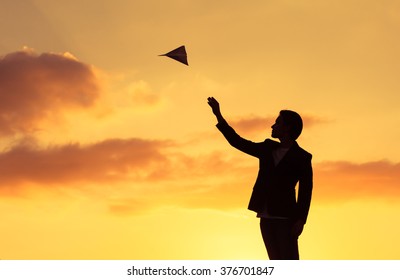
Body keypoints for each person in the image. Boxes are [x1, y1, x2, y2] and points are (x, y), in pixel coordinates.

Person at [207, 97, 313, 260]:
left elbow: (306, 191)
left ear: (287, 128)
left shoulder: (302, 157)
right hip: (266, 217)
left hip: (286, 218)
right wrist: (218, 115)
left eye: (278, 122)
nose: (273, 125)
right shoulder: (267, 148)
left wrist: (301, 220)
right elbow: (238, 142)